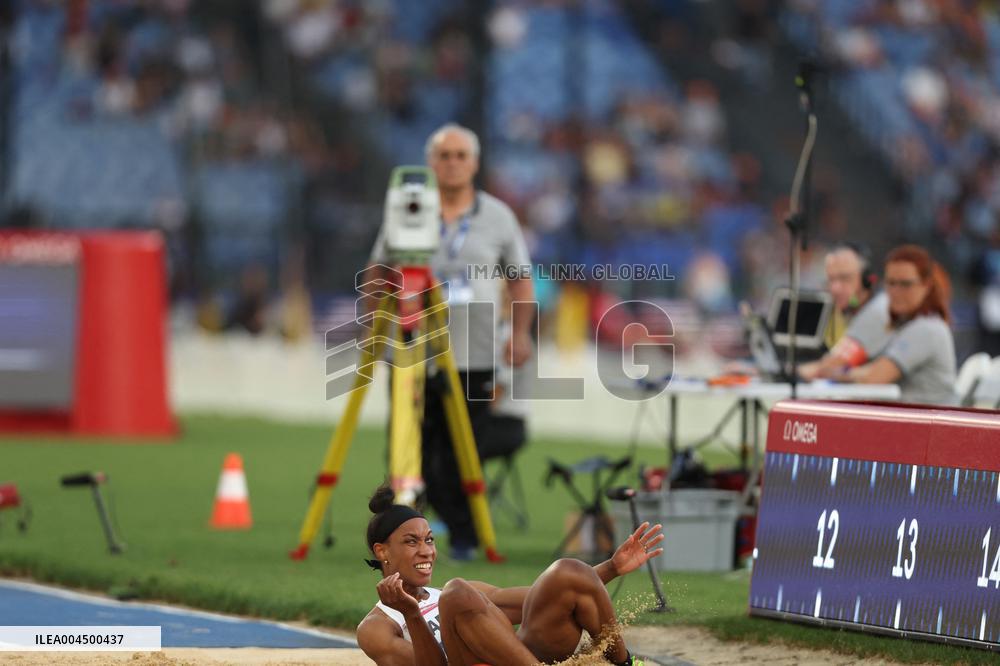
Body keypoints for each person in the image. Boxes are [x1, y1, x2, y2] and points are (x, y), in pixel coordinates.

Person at [369, 123, 535, 560]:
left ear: (475, 163)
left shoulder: (498, 216)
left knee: (465, 452)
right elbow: (376, 271)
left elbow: (521, 281)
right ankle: (413, 537)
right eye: (444, 155)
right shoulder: (407, 210)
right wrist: (376, 321)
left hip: (475, 353)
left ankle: (462, 535)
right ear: (430, 163)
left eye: (461, 155)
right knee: (409, 452)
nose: (453, 163)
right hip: (411, 351)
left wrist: (519, 333)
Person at [357, 484, 661, 666]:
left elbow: (541, 599)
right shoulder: (376, 628)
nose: (426, 551)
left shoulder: (454, 596)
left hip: (515, 659)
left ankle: (626, 663)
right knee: (457, 592)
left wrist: (611, 567)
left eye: (430, 540)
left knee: (568, 571)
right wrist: (411, 614)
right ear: (382, 551)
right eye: (412, 542)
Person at [812, 244, 957, 405]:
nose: (895, 292)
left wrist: (837, 372)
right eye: (891, 283)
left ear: (926, 286)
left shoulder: (927, 328)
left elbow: (873, 377)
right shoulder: (905, 324)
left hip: (929, 424)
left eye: (905, 284)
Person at [821, 242, 879, 349]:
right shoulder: (826, 317)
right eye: (830, 279)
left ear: (866, 280)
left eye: (845, 278)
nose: (835, 289)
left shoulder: (885, 317)